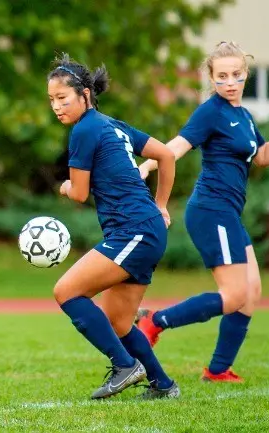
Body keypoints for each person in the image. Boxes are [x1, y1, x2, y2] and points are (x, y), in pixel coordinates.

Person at [135, 41, 269, 382]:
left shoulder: (242, 116)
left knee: (250, 293)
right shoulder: (211, 111)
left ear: (246, 76)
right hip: (211, 210)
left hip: (228, 214)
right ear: (212, 79)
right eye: (222, 76)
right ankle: (154, 322)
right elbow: (176, 148)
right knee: (234, 295)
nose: (229, 82)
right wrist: (148, 166)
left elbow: (263, 157)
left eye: (236, 75)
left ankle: (217, 369)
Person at [48, 53, 180, 399]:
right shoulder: (113, 125)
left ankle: (125, 366)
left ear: (85, 95)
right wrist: (161, 205)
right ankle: (163, 385)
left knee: (66, 291)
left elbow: (77, 193)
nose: (57, 107)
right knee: (119, 322)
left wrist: (63, 186)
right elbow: (165, 155)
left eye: (62, 98)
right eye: (51, 100)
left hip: (133, 230)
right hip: (146, 229)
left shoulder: (84, 130)